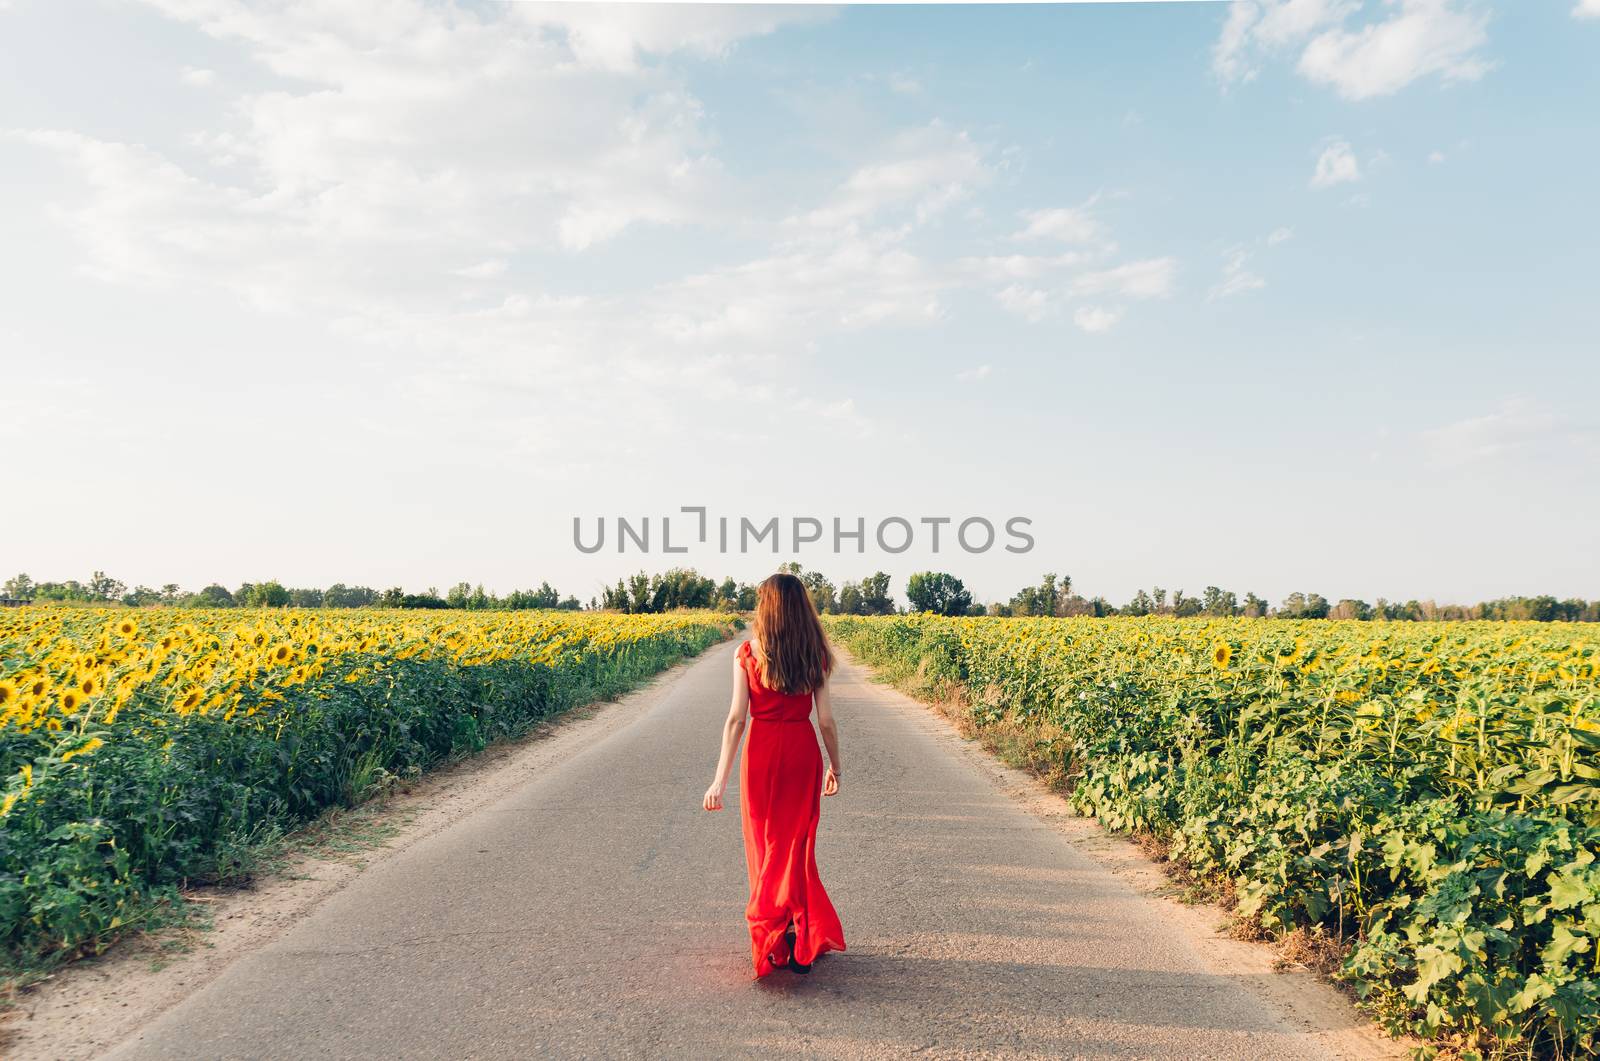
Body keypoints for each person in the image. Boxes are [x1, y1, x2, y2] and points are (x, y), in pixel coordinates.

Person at [702, 572, 846, 977]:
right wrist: (836, 765)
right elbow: (828, 722)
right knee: (796, 846)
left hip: (761, 755)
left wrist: (719, 780)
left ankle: (774, 930)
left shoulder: (747, 654)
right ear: (802, 608)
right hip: (802, 753)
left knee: (764, 845)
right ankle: (799, 936)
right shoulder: (815, 653)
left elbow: (735, 720)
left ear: (765, 608)